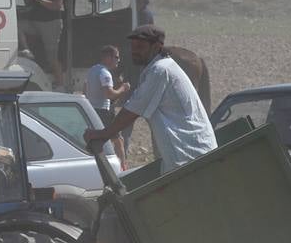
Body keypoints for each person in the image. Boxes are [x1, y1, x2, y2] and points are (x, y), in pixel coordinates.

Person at [84, 26, 216, 174]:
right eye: (133, 46)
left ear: (157, 46)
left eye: (140, 47)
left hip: (190, 156)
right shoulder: (158, 68)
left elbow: (132, 110)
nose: (135, 51)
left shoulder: (160, 70)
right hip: (185, 155)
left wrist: (104, 134)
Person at [84, 45, 130, 166]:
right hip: (103, 111)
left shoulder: (92, 70)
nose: (118, 60)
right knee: (118, 140)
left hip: (91, 109)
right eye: (116, 57)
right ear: (108, 57)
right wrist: (123, 88)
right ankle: (123, 167)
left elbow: (85, 89)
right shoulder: (105, 73)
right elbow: (110, 94)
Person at [23, 0, 66, 89]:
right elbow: (30, 4)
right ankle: (26, 50)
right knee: (20, 26)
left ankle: (60, 83)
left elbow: (56, 6)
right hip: (37, 23)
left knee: (52, 56)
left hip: (51, 24)